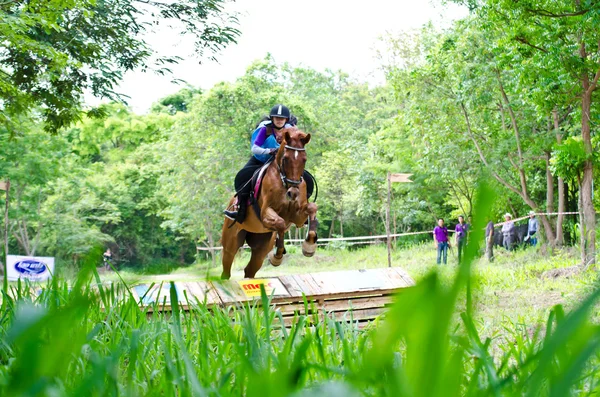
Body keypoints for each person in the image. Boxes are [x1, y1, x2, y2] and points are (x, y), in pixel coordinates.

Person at [223, 104, 314, 223]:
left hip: (283, 161)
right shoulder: (265, 130)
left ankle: (302, 209)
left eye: (282, 119)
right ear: (272, 119)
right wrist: (270, 150)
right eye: (277, 118)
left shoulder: (291, 130)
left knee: (306, 179)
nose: (279, 121)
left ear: (286, 120)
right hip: (261, 159)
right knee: (243, 177)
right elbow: (254, 148)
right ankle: (240, 209)